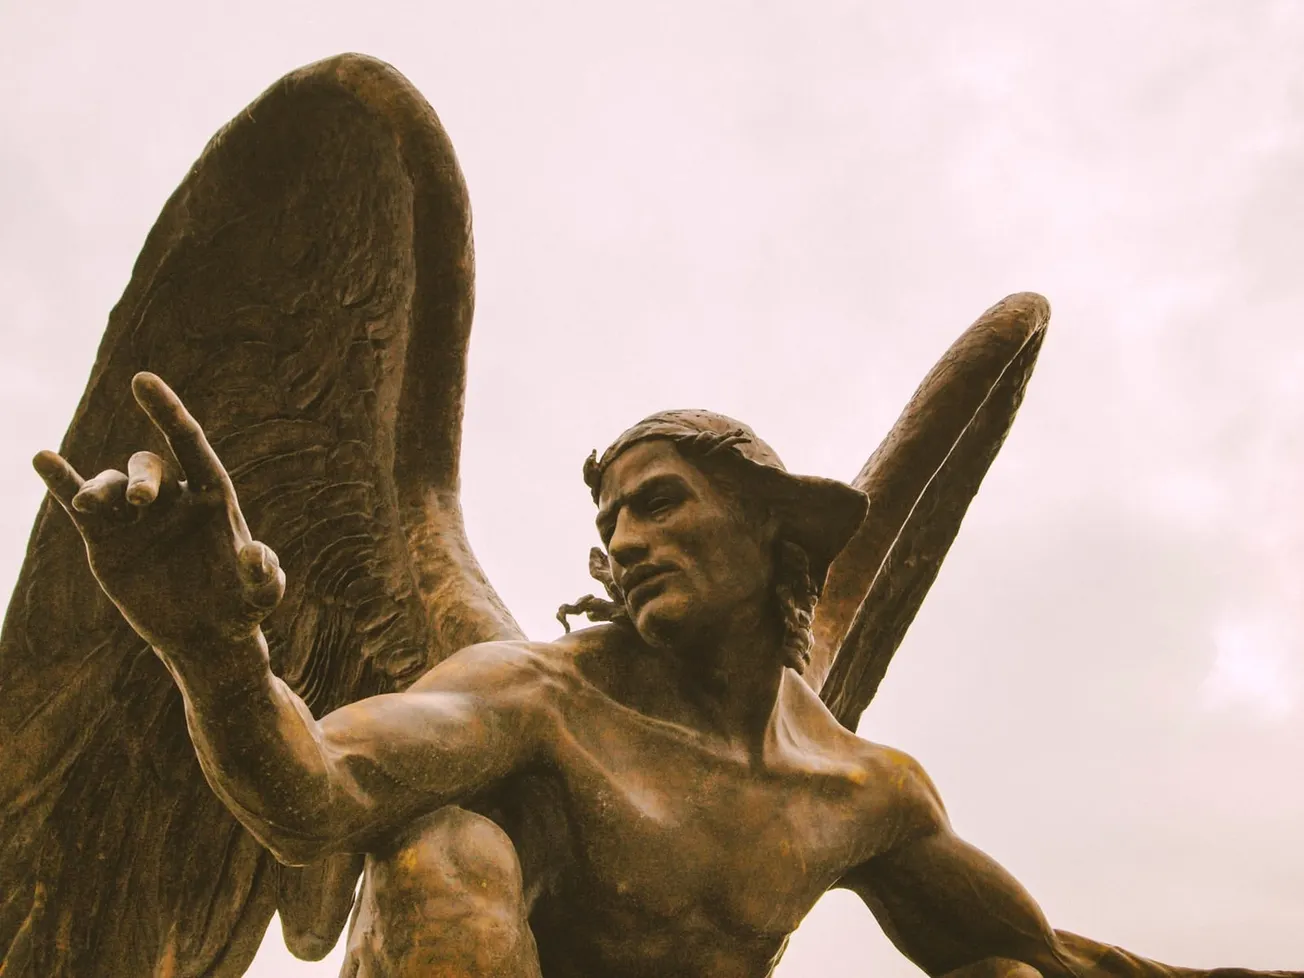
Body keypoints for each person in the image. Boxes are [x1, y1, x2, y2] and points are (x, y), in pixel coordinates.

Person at [32, 373, 1299, 978]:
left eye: (659, 504)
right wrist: (206, 642)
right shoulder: (535, 697)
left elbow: (1056, 963)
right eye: (610, 524)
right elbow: (312, 795)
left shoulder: (858, 791)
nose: (623, 543)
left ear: (774, 534)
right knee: (446, 848)